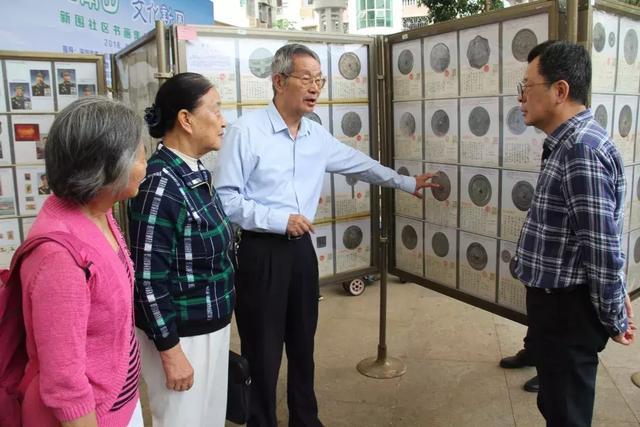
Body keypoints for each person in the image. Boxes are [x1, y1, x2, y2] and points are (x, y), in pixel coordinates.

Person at [214, 43, 437, 427]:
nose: (315, 87)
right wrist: (279, 219)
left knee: (303, 342)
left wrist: (405, 182)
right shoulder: (245, 132)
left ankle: (305, 418)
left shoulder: (316, 136)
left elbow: (360, 164)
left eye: (319, 79)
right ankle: (261, 420)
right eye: (306, 78)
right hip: (260, 253)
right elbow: (225, 199)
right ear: (279, 81)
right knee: (263, 348)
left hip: (301, 252)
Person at [514, 40, 636, 426]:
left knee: (567, 414)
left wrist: (614, 316)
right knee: (557, 405)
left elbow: (601, 248)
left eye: (527, 86)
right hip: (557, 308)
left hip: (568, 312)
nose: (521, 98)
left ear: (560, 90)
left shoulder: (580, 150)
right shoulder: (569, 143)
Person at [19, 96, 146, 426]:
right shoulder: (59, 257)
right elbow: (64, 383)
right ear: (107, 167)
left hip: (120, 401)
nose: (145, 163)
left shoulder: (101, 212)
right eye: (138, 154)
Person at [128, 72, 234, 427]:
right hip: (183, 337)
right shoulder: (160, 184)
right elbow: (148, 280)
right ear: (186, 120)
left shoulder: (193, 171)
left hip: (210, 327)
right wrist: (171, 352)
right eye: (215, 110)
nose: (223, 121)